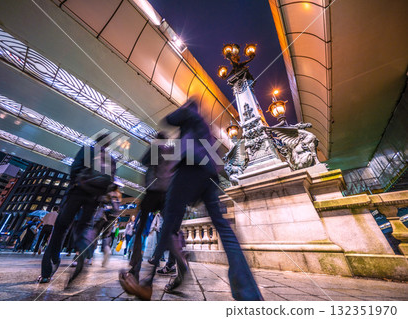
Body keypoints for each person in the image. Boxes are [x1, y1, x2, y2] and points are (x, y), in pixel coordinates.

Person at [123, 100, 264, 301]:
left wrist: (184, 109)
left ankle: (147, 284)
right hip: (208, 174)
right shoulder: (204, 125)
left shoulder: (189, 116)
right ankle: (248, 291)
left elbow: (169, 120)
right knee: (222, 226)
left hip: (189, 169)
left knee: (168, 224)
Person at [38, 133, 117, 283]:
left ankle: (48, 270)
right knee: (84, 227)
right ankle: (83, 251)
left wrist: (78, 182)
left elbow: (75, 169)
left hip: (77, 192)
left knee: (61, 228)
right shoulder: (111, 160)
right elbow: (111, 182)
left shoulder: (88, 150)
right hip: (94, 199)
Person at [119, 132, 175, 284]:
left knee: (140, 227)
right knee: (170, 230)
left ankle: (135, 266)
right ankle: (177, 261)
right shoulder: (172, 151)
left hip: (152, 192)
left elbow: (144, 161)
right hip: (166, 194)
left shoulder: (155, 147)